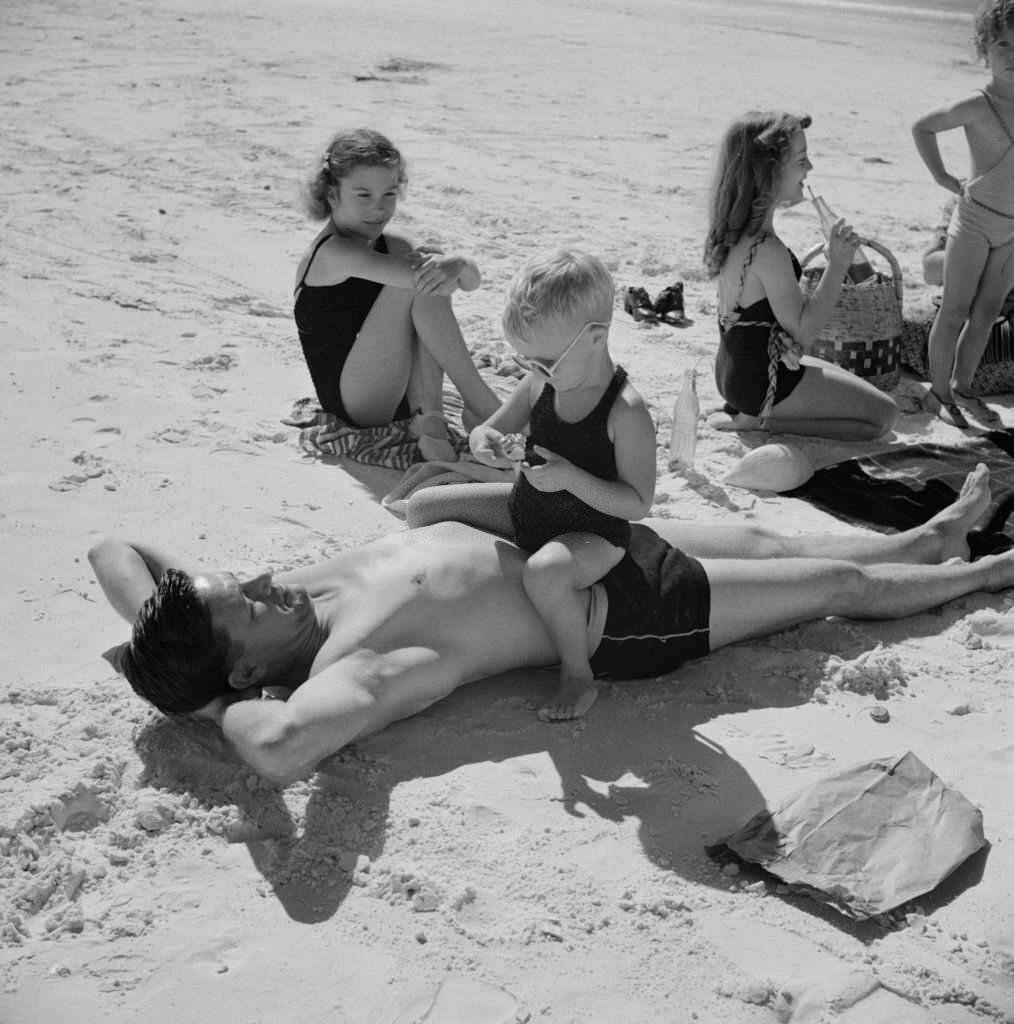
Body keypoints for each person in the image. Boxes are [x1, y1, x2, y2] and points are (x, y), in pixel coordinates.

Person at [89, 464, 1012, 787]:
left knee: (766, 536)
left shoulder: (283, 602)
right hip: (622, 615)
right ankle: (991, 570)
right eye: (241, 604)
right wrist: (207, 706)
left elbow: (111, 549)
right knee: (835, 582)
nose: (261, 580)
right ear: (243, 673)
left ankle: (932, 536)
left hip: (578, 543)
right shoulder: (358, 663)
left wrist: (162, 633)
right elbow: (281, 749)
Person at [466, 250, 657, 721]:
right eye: (526, 360)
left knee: (546, 572)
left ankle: (577, 674)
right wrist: (482, 442)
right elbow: (487, 428)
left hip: (592, 534)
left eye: (546, 362)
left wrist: (570, 477)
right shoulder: (538, 383)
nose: (534, 370)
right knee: (425, 508)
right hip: (528, 508)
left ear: (596, 338)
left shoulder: (625, 411)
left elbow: (637, 504)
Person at [293, 127, 499, 458]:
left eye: (389, 195)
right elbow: (439, 281)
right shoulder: (334, 253)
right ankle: (481, 403)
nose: (379, 209)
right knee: (421, 277)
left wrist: (456, 262)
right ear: (332, 194)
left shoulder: (396, 244)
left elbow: (470, 282)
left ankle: (430, 422)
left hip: (399, 392)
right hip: (355, 401)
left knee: (425, 269)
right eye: (364, 196)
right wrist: (451, 265)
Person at [704, 111, 899, 441]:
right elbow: (805, 330)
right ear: (769, 170)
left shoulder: (734, 233)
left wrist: (787, 342)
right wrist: (837, 266)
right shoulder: (768, 250)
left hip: (732, 375)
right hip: (762, 387)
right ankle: (764, 422)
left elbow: (762, 319)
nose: (809, 169)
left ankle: (753, 415)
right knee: (885, 416)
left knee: (856, 386)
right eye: (802, 159)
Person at [912, 0, 1014, 429]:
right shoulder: (977, 104)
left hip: (1012, 230)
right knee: (953, 310)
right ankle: (940, 392)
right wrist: (942, 177)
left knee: (988, 312)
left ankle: (965, 386)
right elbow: (923, 127)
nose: (1012, 55)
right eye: (1002, 44)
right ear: (984, 50)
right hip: (973, 221)